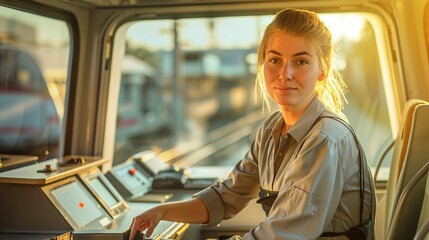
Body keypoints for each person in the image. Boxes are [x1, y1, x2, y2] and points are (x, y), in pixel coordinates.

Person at [128, 8, 376, 240]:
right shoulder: (272, 130)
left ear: (322, 70)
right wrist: (161, 211)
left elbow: (283, 233)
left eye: (300, 62)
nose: (284, 74)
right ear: (262, 64)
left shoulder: (324, 138)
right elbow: (226, 197)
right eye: (275, 60)